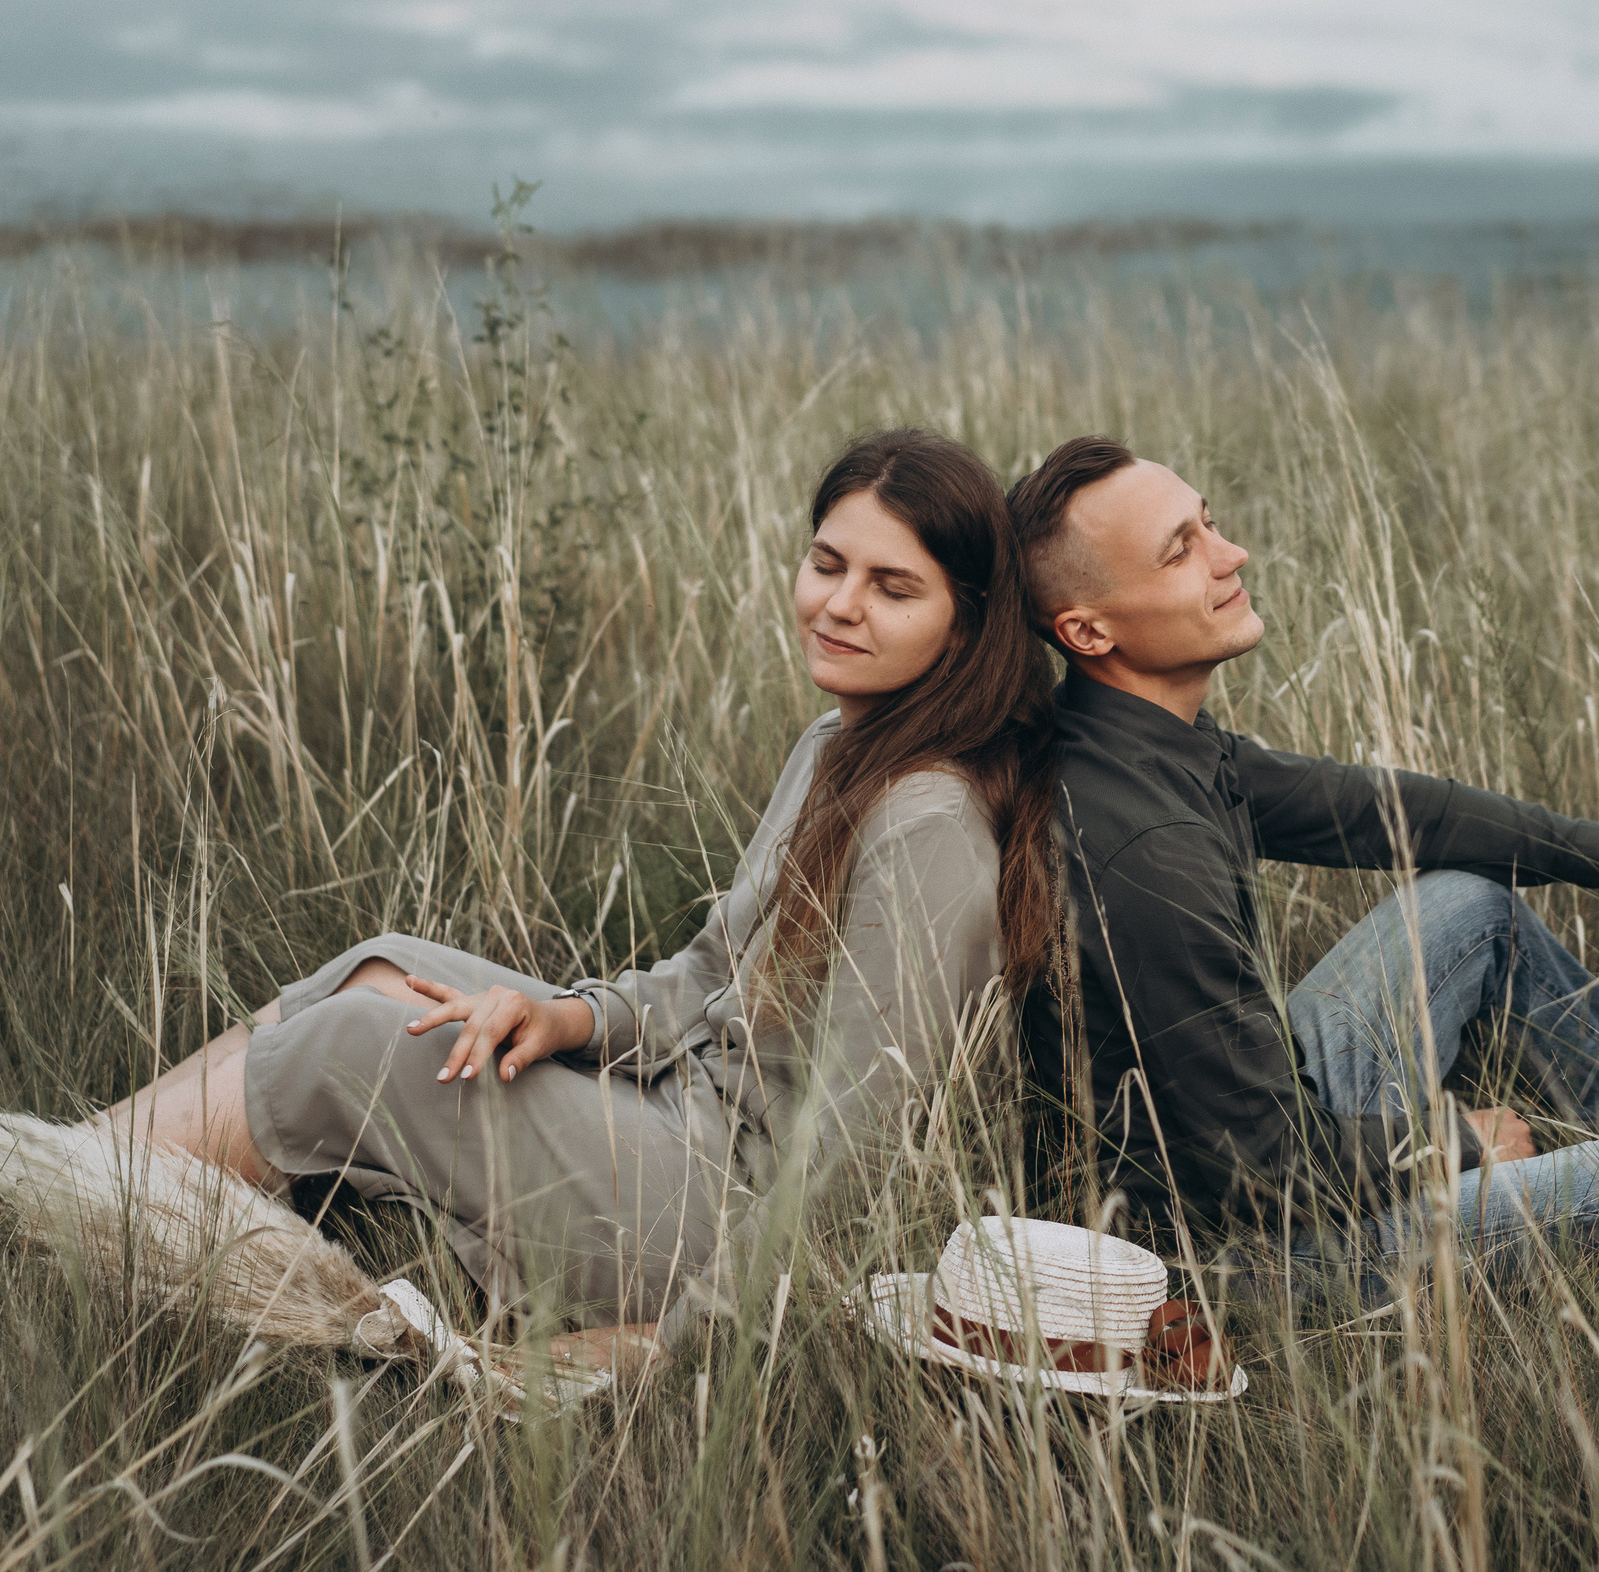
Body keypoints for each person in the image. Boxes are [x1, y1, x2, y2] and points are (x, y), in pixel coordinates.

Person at [99, 428, 1058, 1362]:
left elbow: (860, 1154)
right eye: (827, 563)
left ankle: (72, 1218)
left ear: (966, 623)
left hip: (715, 1216)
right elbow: (707, 978)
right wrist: (567, 1019)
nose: (839, 605)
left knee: (351, 1043)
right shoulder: (839, 744)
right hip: (682, 1111)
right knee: (386, 966)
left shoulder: (927, 823)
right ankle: (78, 1164)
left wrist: (674, 1339)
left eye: (893, 588)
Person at [1002, 436, 1599, 1297]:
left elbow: (1384, 812)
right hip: (1227, 1246)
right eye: (1181, 551)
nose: (1232, 554)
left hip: (1252, 1118)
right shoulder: (1143, 849)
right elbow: (1259, 1169)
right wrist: (1447, 1140)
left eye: (1209, 522)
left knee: (1473, 906)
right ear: (1087, 628)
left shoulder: (1139, 742)